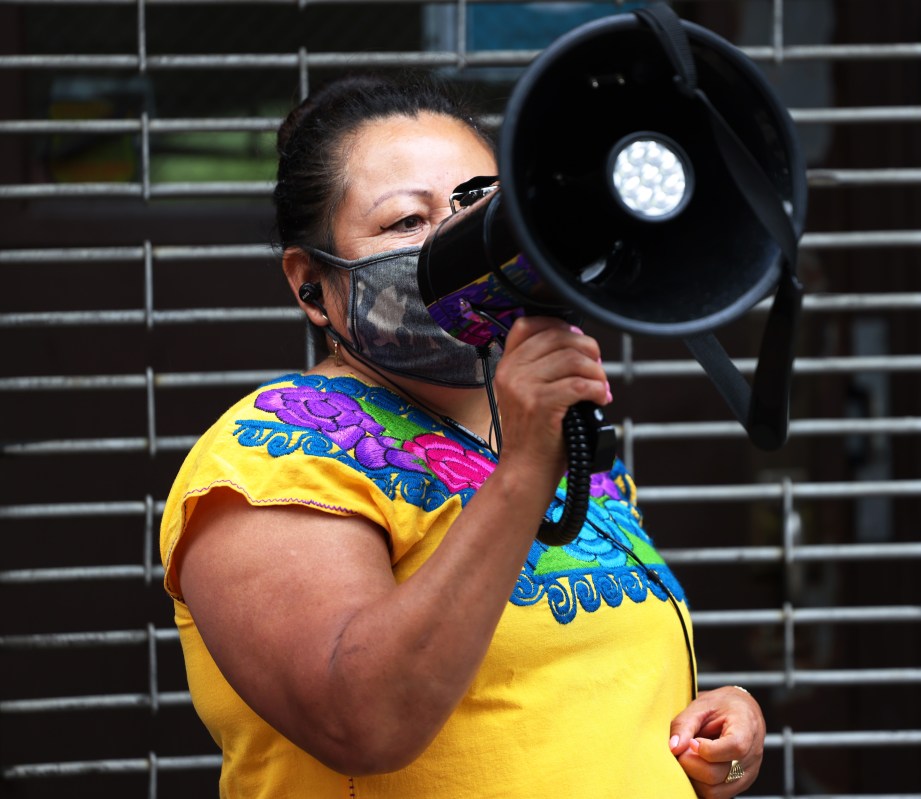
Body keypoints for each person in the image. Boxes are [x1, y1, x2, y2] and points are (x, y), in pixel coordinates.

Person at [160, 71, 765, 798]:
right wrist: (523, 475)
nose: (455, 238)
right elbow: (363, 720)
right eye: (405, 222)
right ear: (310, 285)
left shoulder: (550, 436)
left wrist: (710, 725)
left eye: (477, 202)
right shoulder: (272, 453)